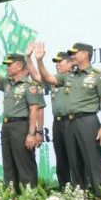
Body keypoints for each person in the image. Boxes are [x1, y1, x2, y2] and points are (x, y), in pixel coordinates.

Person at [33, 42, 101, 194]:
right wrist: (39, 60)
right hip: (69, 123)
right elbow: (48, 78)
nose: (73, 56)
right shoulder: (68, 77)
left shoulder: (97, 75)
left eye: (75, 53)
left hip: (87, 121)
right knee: (74, 163)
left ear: (86, 54)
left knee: (92, 162)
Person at [0, 42, 44, 192]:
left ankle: (30, 198)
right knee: (9, 165)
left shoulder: (30, 86)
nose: (7, 67)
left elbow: (34, 111)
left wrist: (32, 133)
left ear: (19, 66)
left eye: (10, 65)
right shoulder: (7, 83)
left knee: (25, 164)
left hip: (21, 127)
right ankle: (12, 199)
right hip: (7, 127)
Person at [27, 51, 74, 188]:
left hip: (72, 121)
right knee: (61, 158)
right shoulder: (53, 82)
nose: (57, 65)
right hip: (58, 123)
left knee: (75, 157)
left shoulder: (74, 78)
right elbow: (36, 76)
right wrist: (28, 58)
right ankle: (65, 189)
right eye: (56, 62)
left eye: (60, 62)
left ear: (70, 63)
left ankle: (80, 189)